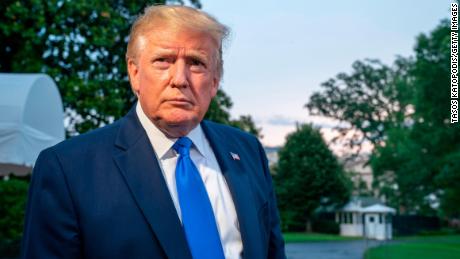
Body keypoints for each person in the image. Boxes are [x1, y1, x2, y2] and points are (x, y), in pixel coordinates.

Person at [21, 5, 286, 259]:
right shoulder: (68, 168)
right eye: (163, 61)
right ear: (134, 73)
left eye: (196, 62)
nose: (180, 79)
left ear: (215, 80)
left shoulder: (247, 151)